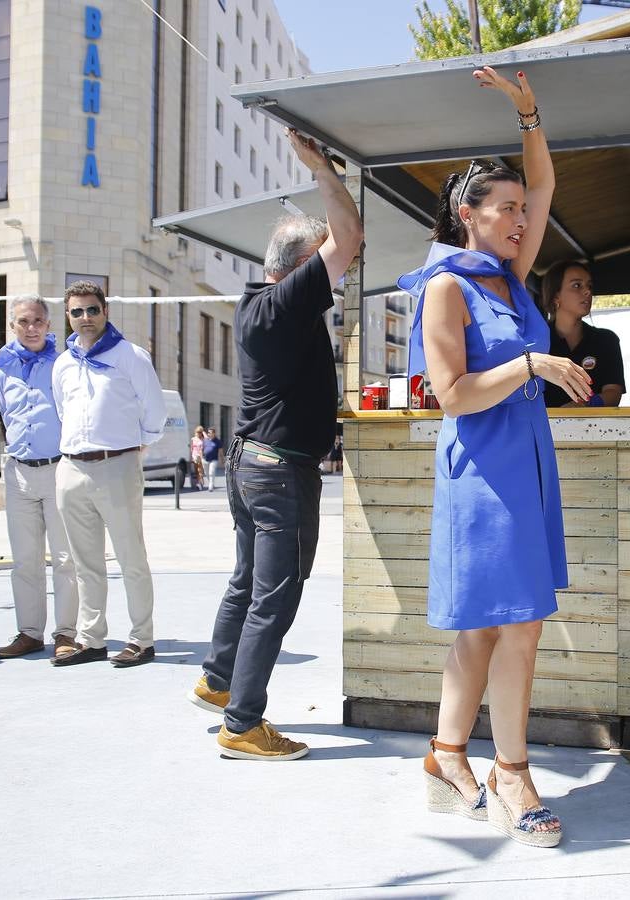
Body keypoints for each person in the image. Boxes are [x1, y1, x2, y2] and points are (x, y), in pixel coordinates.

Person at [399, 66, 590, 849]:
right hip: (484, 473)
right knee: (519, 625)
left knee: (486, 629)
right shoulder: (447, 286)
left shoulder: (508, 278)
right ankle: (512, 770)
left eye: (520, 209)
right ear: (466, 216)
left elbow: (545, 185)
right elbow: (450, 393)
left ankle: (447, 755)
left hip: (525, 468)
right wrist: (533, 368)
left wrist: (529, 114)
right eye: (503, 209)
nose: (520, 217)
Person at [188, 126, 362, 761]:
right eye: (324, 267)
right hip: (279, 473)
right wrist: (322, 169)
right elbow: (350, 236)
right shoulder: (285, 303)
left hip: (252, 463)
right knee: (276, 594)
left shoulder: (261, 305)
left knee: (247, 585)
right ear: (299, 266)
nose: (337, 279)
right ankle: (243, 723)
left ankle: (217, 680)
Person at [51, 281, 167, 668]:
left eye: (92, 310)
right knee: (84, 562)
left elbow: (154, 411)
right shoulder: (63, 363)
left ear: (106, 311)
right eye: (76, 312)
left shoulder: (130, 356)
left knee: (130, 556)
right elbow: (62, 411)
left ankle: (141, 639)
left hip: (116, 466)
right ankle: (91, 639)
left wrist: (133, 448)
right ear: (67, 315)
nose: (85, 318)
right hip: (71, 467)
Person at [0, 296, 80, 661]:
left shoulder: (63, 362)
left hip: (57, 468)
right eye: (24, 321)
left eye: (39, 321)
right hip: (18, 471)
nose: (32, 328)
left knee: (65, 558)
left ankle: (66, 633)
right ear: (13, 325)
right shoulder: (3, 366)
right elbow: (4, 414)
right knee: (24, 559)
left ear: (49, 324)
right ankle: (29, 632)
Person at [541, 260, 625, 408]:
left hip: (596, 429)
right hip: (544, 429)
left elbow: (613, 392)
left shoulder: (606, 340)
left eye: (589, 286)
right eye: (577, 285)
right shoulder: (537, 342)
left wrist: (585, 406)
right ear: (555, 296)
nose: (587, 291)